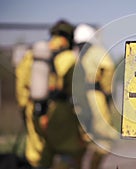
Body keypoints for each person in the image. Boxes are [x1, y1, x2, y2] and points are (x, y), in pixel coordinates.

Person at [16, 20, 87, 169]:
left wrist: (26, 110)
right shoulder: (70, 59)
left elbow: (21, 88)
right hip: (59, 112)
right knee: (68, 153)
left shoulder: (31, 56)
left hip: (34, 111)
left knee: (38, 157)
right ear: (69, 37)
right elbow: (79, 93)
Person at [73, 23, 116, 169]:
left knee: (82, 140)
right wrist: (107, 89)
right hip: (95, 97)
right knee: (104, 140)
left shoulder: (76, 55)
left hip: (79, 99)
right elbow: (108, 67)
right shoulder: (96, 51)